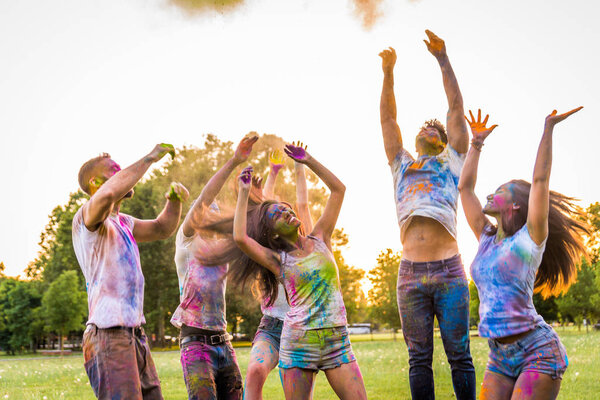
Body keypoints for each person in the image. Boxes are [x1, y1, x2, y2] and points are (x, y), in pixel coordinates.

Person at [210, 142, 367, 400]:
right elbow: (240, 238)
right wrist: (243, 192)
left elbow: (339, 190)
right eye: (278, 213)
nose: (286, 210)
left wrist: (308, 160)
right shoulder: (278, 260)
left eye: (286, 208)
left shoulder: (320, 237)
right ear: (272, 232)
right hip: (298, 345)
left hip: (337, 342)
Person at [458, 108, 588, 399]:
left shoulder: (530, 239)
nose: (490, 195)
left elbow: (540, 181)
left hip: (537, 352)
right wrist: (476, 144)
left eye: (500, 191)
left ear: (516, 205)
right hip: (499, 356)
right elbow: (465, 188)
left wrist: (548, 128)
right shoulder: (486, 237)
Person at [379, 30, 475, 399]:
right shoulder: (401, 164)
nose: (427, 128)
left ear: (443, 140)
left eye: (434, 129)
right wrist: (388, 72)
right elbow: (388, 121)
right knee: (418, 359)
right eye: (425, 126)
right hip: (410, 273)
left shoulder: (451, 162)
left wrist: (442, 58)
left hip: (450, 269)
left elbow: (454, 110)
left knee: (459, 356)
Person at [72, 144, 188, 400]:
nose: (124, 173)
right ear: (95, 183)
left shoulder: (124, 222)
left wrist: (174, 203)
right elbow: (106, 195)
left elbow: (161, 228)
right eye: (115, 171)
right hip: (107, 333)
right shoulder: (87, 217)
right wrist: (149, 159)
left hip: (135, 333)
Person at [171, 135, 258, 400]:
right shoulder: (187, 241)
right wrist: (234, 161)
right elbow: (205, 199)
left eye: (216, 213)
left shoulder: (223, 249)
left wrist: (248, 194)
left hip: (224, 342)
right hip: (195, 344)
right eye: (208, 210)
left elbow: (247, 229)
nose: (211, 213)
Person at [244, 148, 315, 400]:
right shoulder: (270, 252)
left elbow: (303, 204)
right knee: (254, 371)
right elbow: (268, 209)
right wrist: (273, 173)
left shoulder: (310, 245)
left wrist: (300, 166)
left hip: (301, 327)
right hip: (272, 325)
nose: (287, 213)